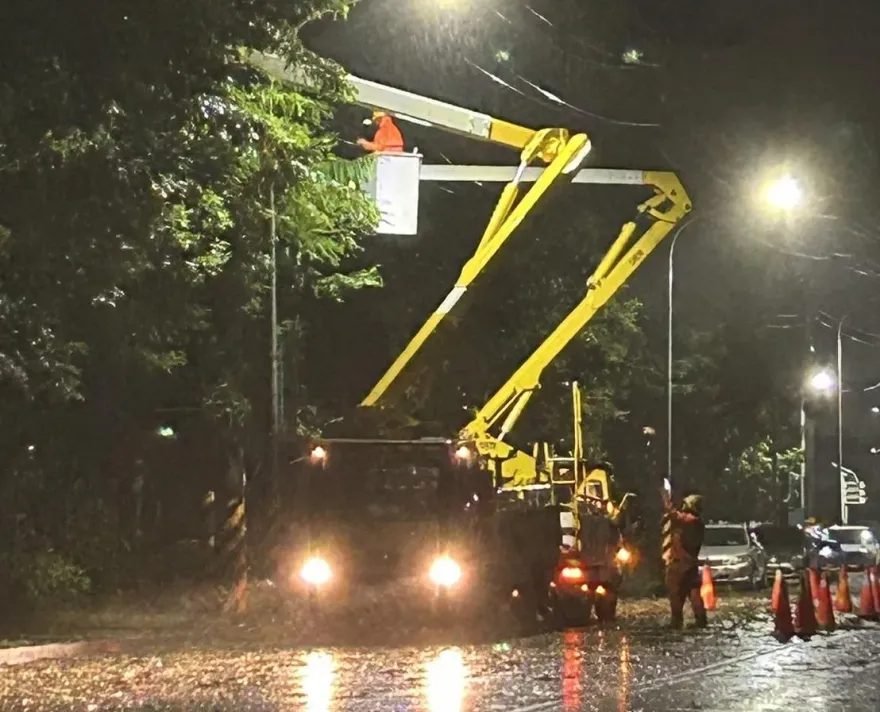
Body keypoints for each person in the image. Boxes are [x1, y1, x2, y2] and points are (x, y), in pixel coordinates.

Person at [663, 491, 707, 629]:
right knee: (694, 593)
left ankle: (676, 622)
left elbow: (673, 514)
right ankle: (701, 621)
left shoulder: (689, 521)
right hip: (691, 564)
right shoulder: (698, 522)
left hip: (680, 564)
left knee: (675, 593)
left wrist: (665, 499)